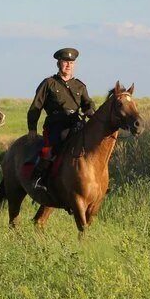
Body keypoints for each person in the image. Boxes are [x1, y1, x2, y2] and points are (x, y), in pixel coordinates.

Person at [27, 47, 95, 192]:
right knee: (52, 148)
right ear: (59, 64)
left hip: (76, 123)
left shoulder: (79, 85)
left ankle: (94, 181)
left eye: (71, 62)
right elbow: (35, 107)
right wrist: (32, 128)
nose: (68, 65)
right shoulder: (48, 83)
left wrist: (90, 110)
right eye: (65, 62)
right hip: (56, 124)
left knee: (92, 145)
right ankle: (40, 178)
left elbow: (87, 103)